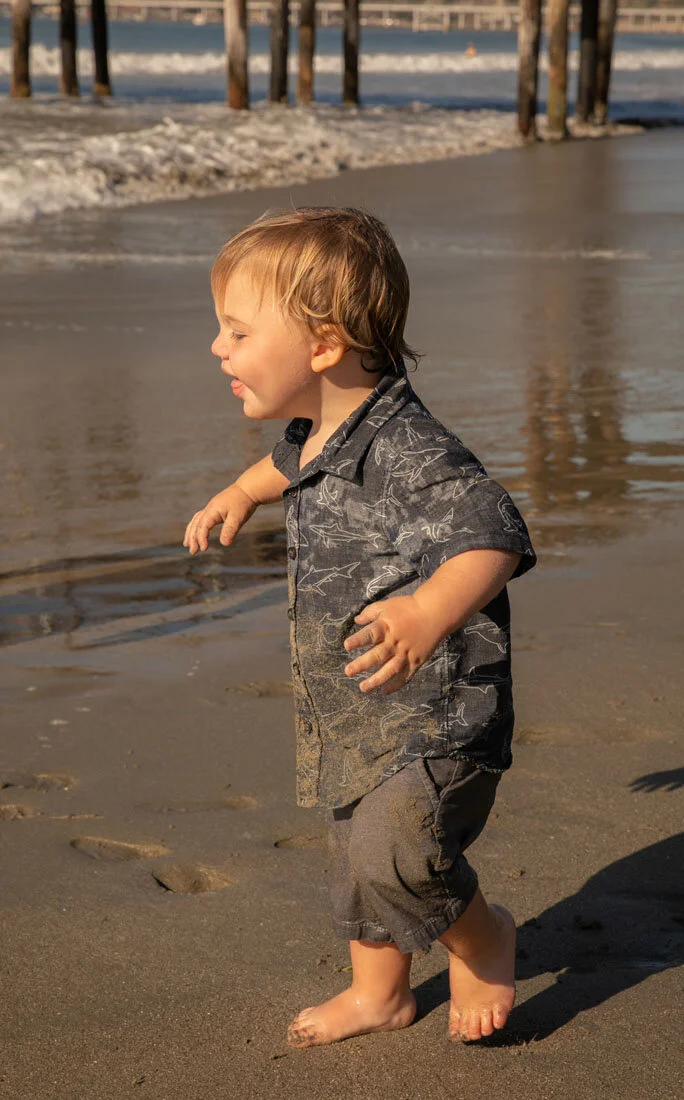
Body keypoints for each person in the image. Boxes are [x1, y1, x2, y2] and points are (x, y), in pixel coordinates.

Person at [183, 206, 537, 1048]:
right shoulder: (319, 433)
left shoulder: (409, 447)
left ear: (322, 344)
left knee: (399, 857)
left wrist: (426, 611)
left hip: (433, 713)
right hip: (353, 704)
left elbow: (494, 531)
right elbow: (285, 465)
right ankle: (379, 993)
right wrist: (239, 494)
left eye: (236, 330)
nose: (216, 348)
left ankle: (483, 937)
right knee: (353, 865)